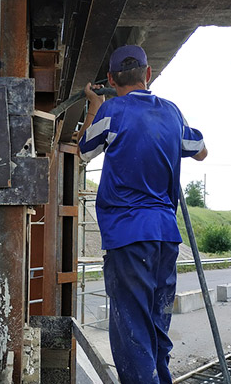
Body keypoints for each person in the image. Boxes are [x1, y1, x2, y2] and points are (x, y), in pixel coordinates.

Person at [76, 45, 207, 383]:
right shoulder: (172, 112)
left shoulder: (112, 111)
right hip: (165, 236)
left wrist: (95, 105)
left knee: (131, 329)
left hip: (128, 236)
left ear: (110, 79)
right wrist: (174, 125)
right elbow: (201, 151)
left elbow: (83, 150)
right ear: (148, 75)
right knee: (155, 325)